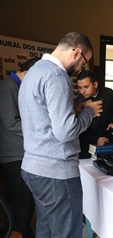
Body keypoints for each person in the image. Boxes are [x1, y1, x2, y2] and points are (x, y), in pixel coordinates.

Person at [18, 31, 103, 237]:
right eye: (84, 62)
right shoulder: (57, 75)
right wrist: (90, 112)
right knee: (66, 233)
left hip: (33, 166)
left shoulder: (35, 70)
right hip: (56, 171)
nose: (82, 68)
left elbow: (41, 116)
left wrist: (74, 111)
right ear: (76, 52)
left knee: (46, 229)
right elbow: (66, 132)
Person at [0, 57, 40, 238]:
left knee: (24, 205)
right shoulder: (9, 87)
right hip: (14, 157)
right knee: (20, 204)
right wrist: (40, 127)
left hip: (21, 155)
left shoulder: (16, 87)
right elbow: (11, 123)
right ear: (28, 73)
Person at [74, 70, 113, 158]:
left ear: (95, 84)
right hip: (88, 148)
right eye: (80, 88)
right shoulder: (78, 102)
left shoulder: (108, 93)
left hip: (109, 142)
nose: (82, 91)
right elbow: (78, 130)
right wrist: (96, 140)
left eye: (86, 87)